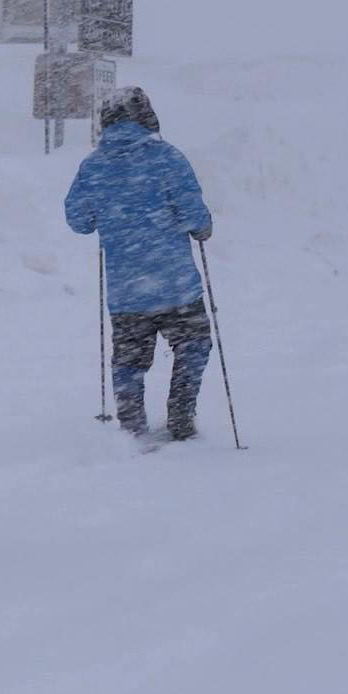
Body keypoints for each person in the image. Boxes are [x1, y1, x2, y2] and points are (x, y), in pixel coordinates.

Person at [63, 86, 214, 441]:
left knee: (129, 360)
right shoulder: (168, 158)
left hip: (127, 290)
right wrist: (203, 227)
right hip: (176, 286)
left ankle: (131, 426)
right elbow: (195, 218)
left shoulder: (92, 167)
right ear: (146, 116)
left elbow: (78, 221)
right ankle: (181, 412)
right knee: (194, 345)